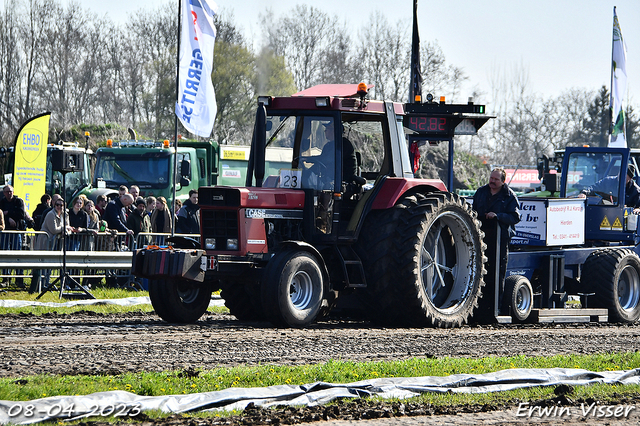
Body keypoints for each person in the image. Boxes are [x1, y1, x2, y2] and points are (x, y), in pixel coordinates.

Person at [472, 168, 521, 314]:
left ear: (503, 181)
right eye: (491, 178)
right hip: (481, 237)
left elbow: (515, 217)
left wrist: (497, 216)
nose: (492, 181)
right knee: (480, 271)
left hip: (500, 239)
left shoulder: (509, 195)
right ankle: (478, 308)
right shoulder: (481, 192)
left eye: (496, 179)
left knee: (497, 273)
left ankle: (494, 308)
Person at [0, 185, 27, 287]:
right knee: (5, 254)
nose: (9, 193)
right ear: (4, 193)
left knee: (17, 255)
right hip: (5, 232)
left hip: (16, 231)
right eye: (7, 192)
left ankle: (19, 279)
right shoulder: (2, 202)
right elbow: (0, 215)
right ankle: (6, 279)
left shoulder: (18, 201)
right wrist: (8, 219)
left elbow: (21, 214)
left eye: (11, 191)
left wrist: (8, 214)